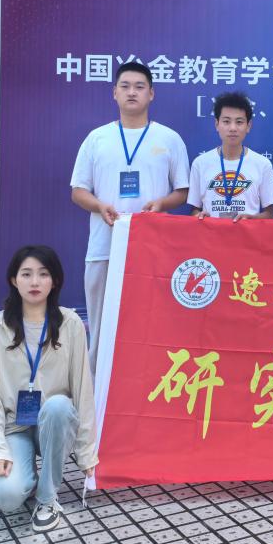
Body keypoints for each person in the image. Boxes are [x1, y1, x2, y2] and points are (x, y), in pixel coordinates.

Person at [71, 62, 189, 372]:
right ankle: (96, 393)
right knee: (100, 326)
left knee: (152, 323)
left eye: (139, 86)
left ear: (151, 93)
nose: (132, 92)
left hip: (153, 249)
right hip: (104, 247)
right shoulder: (97, 138)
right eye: (125, 86)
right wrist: (100, 206)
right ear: (114, 93)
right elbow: (78, 191)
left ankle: (146, 385)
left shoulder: (169, 139)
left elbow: (183, 191)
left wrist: (161, 203)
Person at [0, 246, 98, 533]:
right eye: (26, 274)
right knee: (6, 498)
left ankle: (47, 499)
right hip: (15, 426)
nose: (34, 282)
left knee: (58, 406)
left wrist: (86, 453)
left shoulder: (70, 325)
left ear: (55, 281)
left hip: (54, 424)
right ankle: (26, 477)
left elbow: (83, 390)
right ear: (13, 280)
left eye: (43, 274)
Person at [189, 91, 273, 220]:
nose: (233, 128)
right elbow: (194, 209)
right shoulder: (200, 163)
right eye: (226, 121)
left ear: (248, 126)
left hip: (247, 232)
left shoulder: (262, 164)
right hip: (211, 232)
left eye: (239, 122)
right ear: (217, 124)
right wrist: (199, 215)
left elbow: (270, 214)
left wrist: (252, 219)